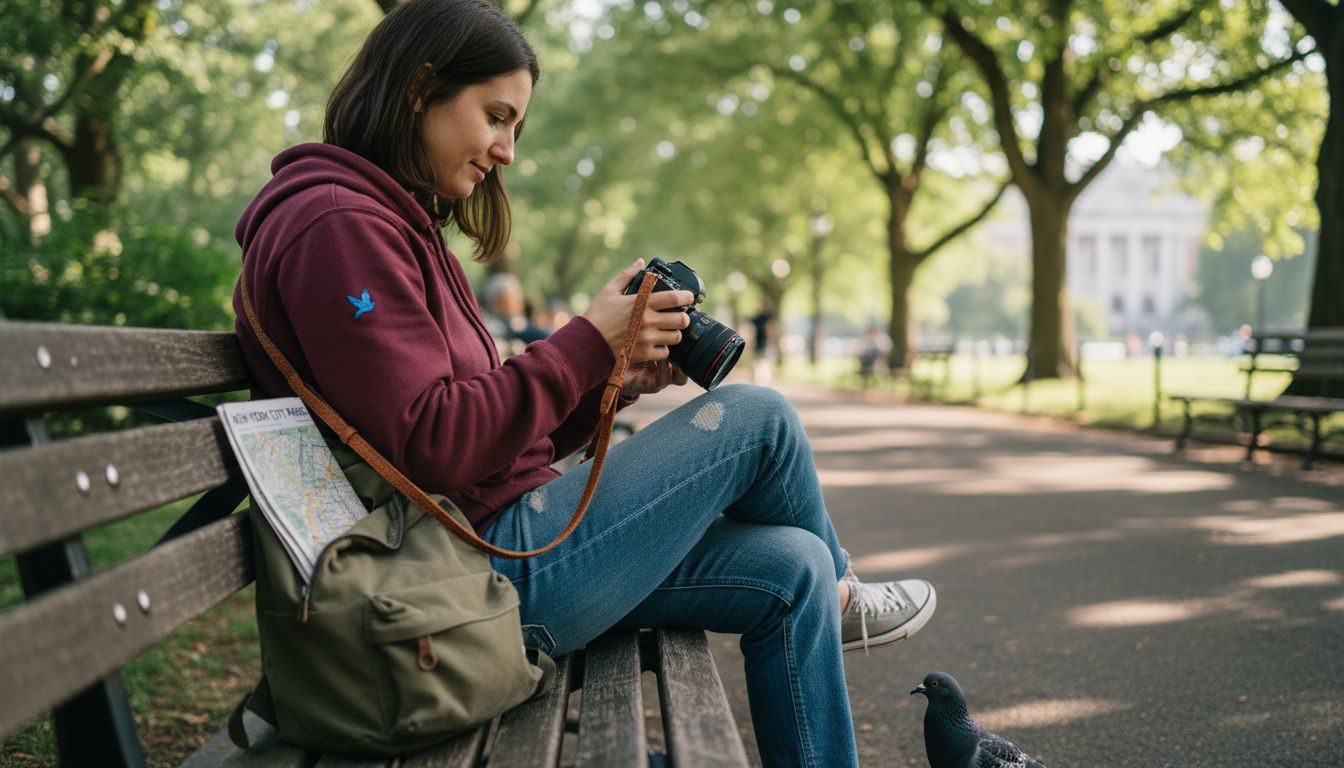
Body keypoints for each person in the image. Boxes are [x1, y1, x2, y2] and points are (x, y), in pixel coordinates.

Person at [230, 2, 936, 765]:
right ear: (420, 87)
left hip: (493, 545)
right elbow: (430, 444)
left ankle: (828, 589)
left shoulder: (393, 223)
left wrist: (612, 382)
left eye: (515, 128)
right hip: (460, 583)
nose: (505, 150)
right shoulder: (336, 226)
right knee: (757, 416)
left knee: (792, 565)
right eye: (495, 117)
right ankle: (846, 594)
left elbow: (480, 438)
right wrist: (582, 346)